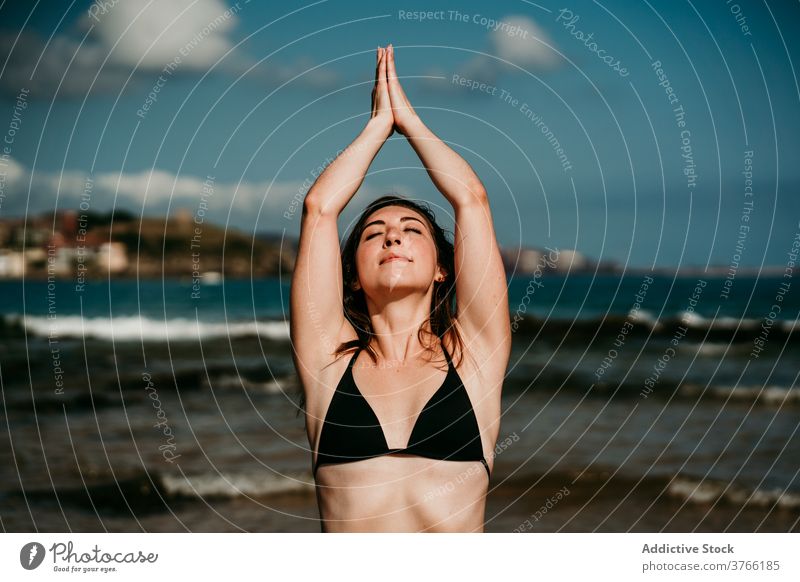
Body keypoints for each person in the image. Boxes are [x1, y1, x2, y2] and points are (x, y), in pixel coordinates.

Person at [290, 44, 511, 532]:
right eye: (373, 234)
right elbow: (319, 208)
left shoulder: (474, 355)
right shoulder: (328, 359)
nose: (392, 235)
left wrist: (408, 122)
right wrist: (375, 128)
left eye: (412, 229)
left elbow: (471, 200)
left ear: (441, 269)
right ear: (351, 275)